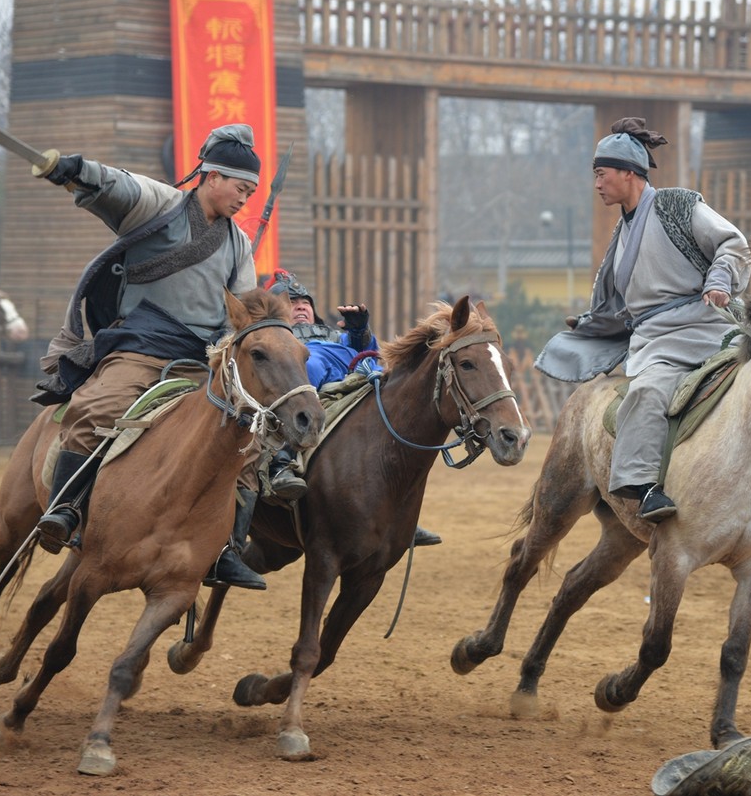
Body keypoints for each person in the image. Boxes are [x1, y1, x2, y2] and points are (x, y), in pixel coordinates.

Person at [534, 117, 751, 522]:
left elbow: (731, 242)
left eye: (601, 173)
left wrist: (718, 280)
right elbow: (621, 301)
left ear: (629, 173)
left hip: (713, 326)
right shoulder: (620, 235)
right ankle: (641, 487)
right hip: (658, 341)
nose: (597, 183)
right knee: (648, 391)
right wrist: (593, 322)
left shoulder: (677, 205)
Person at [31, 123, 270, 589]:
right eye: (241, 188)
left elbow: (241, 313)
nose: (245, 199)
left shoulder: (239, 244)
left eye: (252, 192)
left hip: (201, 362)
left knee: (251, 439)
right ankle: (65, 508)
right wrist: (72, 169)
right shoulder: (161, 204)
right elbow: (118, 183)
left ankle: (223, 550)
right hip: (141, 347)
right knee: (96, 406)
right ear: (213, 176)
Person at [262, 270, 442, 546]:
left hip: (360, 385)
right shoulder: (273, 342)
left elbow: (368, 351)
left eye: (305, 302)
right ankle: (280, 461)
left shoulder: (335, 336)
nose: (299, 305)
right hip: (308, 389)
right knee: (308, 368)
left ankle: (399, 516)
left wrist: (359, 331)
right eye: (290, 301)